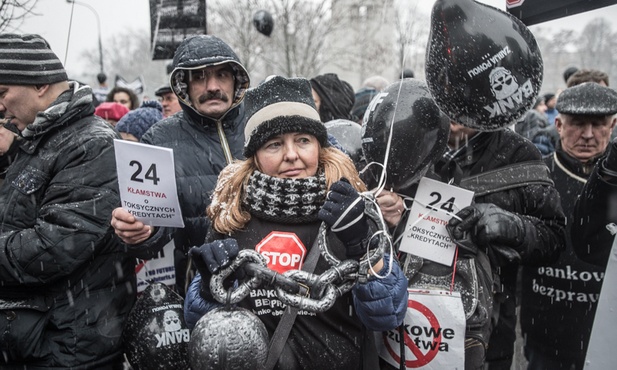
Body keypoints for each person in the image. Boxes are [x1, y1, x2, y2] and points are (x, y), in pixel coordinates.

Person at [184, 75, 408, 369]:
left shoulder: (352, 209)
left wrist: (362, 244)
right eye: (274, 144)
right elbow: (196, 320)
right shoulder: (233, 214)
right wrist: (207, 288)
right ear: (255, 156)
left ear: (319, 146)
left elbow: (389, 314)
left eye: (303, 140)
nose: (291, 155)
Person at [0, 33, 140, 369]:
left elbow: (55, 247)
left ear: (40, 85)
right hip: (32, 338)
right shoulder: (34, 141)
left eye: (2, 92)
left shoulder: (91, 144)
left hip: (68, 346)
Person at [110, 34, 251, 295]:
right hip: (201, 289)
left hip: (272, 279)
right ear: (183, 84)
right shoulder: (158, 140)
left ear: (236, 79)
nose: (212, 86)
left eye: (222, 74)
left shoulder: (261, 124)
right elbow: (151, 229)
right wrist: (142, 231)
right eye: (199, 77)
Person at [431, 121, 565, 369]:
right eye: (445, 90)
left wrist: (512, 226)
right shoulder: (412, 136)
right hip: (413, 321)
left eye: (464, 92)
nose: (453, 105)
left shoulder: (517, 152)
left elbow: (554, 237)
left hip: (489, 329)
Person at [519, 82, 617, 369]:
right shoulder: (535, 175)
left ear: (612, 126)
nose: (588, 135)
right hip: (545, 332)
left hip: (605, 332)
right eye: (577, 124)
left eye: (598, 124)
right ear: (559, 124)